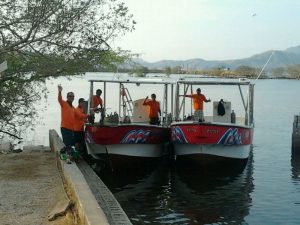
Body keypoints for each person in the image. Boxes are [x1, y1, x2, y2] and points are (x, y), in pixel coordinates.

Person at [58, 84, 75, 163]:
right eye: (70, 96)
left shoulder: (73, 108)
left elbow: (78, 116)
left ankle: (61, 151)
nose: (71, 97)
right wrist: (60, 91)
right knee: (68, 144)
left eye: (72, 96)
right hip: (64, 127)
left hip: (71, 128)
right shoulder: (64, 103)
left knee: (68, 143)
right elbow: (59, 99)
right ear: (67, 97)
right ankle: (68, 159)